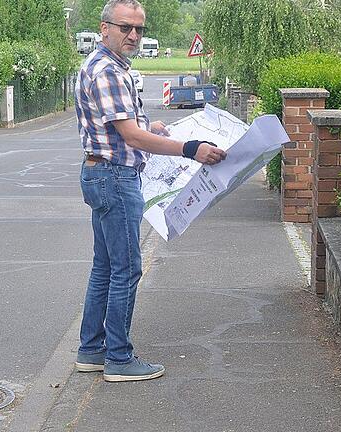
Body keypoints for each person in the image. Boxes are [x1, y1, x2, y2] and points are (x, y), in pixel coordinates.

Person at [73, 0, 227, 383]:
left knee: (106, 266)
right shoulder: (108, 70)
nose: (134, 36)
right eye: (125, 27)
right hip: (114, 177)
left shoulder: (106, 66)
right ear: (104, 27)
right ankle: (119, 359)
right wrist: (191, 148)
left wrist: (150, 125)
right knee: (127, 269)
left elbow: (121, 126)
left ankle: (91, 350)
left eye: (139, 29)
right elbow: (129, 136)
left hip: (101, 172)